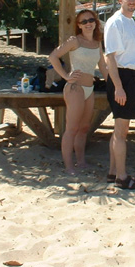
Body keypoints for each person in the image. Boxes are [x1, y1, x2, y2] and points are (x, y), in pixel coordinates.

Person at [49, 10, 108, 175]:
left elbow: (103, 66)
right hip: (75, 88)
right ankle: (69, 166)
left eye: (90, 20)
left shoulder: (97, 42)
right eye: (83, 21)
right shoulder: (74, 40)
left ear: (95, 22)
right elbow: (53, 56)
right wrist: (66, 76)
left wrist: (114, 85)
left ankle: (81, 162)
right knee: (72, 128)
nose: (88, 23)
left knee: (84, 128)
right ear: (79, 25)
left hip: (90, 88)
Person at [104, 0, 135, 190]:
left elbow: (129, 58)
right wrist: (119, 87)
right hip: (120, 79)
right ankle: (122, 177)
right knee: (121, 132)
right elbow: (110, 58)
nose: (131, 1)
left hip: (130, 78)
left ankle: (113, 172)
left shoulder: (129, 22)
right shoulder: (115, 23)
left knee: (119, 130)